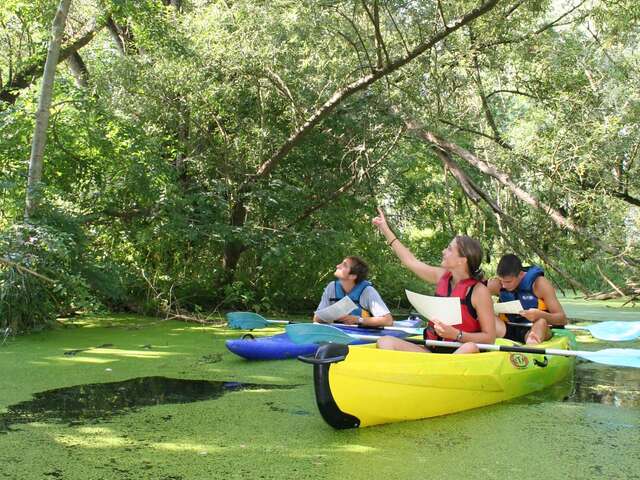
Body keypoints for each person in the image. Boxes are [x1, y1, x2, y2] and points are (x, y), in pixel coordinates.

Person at [372, 207, 495, 354]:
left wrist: (457, 335)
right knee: (385, 341)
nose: (444, 251)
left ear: (462, 260)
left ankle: (443, 371)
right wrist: (384, 228)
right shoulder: (441, 276)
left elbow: (490, 338)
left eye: (449, 249)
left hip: (462, 353)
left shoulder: (479, 292)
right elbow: (410, 261)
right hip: (433, 350)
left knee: (470, 347)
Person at [487, 254, 567, 345]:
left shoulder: (540, 284)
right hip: (507, 328)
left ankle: (532, 343)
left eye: (508, 281)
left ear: (521, 274)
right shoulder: (496, 284)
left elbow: (562, 319)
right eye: (501, 281)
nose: (504, 285)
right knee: (484, 316)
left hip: (533, 328)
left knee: (541, 322)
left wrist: (540, 315)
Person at [313, 256, 394, 327]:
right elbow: (316, 318)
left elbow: (388, 321)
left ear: (352, 276)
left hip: (361, 335)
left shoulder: (368, 291)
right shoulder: (331, 287)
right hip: (336, 334)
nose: (337, 266)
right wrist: (332, 316)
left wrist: (358, 320)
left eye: (344, 265)